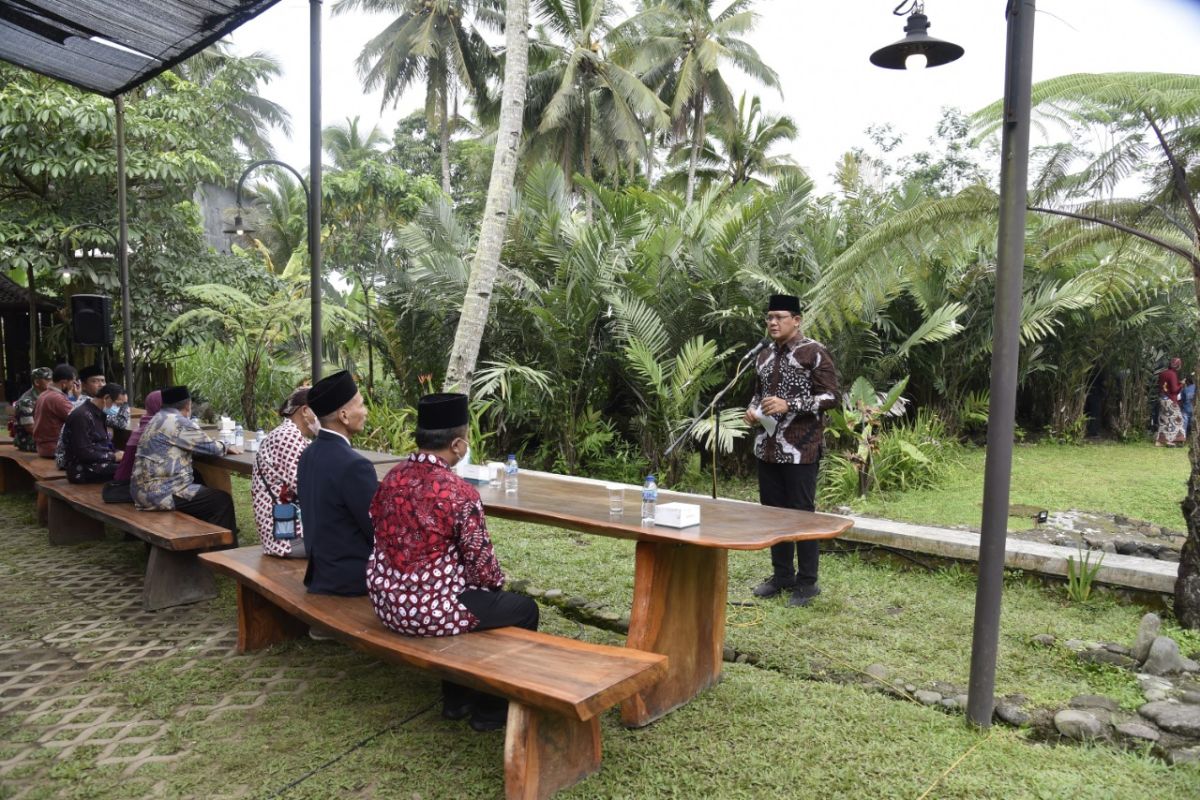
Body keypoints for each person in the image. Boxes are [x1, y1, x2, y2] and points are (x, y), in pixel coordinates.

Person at [368, 392, 538, 731]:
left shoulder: (391, 479)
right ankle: (491, 709)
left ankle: (457, 699)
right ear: (458, 445)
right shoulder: (457, 491)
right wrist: (490, 590)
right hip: (427, 613)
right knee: (522, 609)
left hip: (386, 606)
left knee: (469, 597)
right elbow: (484, 568)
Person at [744, 294, 840, 607]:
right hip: (768, 447)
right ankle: (782, 576)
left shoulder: (813, 352)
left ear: (796, 320)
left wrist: (792, 404)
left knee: (801, 515)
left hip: (801, 448)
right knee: (774, 513)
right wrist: (752, 409)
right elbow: (758, 393)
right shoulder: (762, 355)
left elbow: (831, 397)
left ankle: (808, 583)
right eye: (769, 317)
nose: (773, 322)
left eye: (780, 317)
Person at [296, 371, 376, 595]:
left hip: (320, 572)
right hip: (351, 579)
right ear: (343, 415)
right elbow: (377, 529)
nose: (366, 411)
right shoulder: (355, 466)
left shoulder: (308, 454)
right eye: (361, 405)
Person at [132, 385, 241, 536]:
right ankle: (221, 550)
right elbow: (211, 448)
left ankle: (203, 540)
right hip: (161, 494)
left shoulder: (157, 418)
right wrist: (225, 445)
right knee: (221, 500)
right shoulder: (179, 422)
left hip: (142, 490)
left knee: (200, 483)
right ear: (188, 405)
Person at [253, 387, 318, 558]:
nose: (325, 417)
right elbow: (308, 487)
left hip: (291, 529)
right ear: (305, 411)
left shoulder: (295, 437)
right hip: (287, 538)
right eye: (320, 409)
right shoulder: (286, 437)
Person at [61, 367, 120, 484]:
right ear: (83, 384)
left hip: (92, 459)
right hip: (76, 466)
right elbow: (83, 452)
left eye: (103, 381)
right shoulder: (82, 412)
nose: (101, 385)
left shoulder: (98, 408)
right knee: (131, 470)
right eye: (95, 381)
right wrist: (113, 456)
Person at [32, 364, 77, 458]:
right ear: (64, 383)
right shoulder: (57, 398)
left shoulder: (44, 394)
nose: (74, 385)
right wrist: (78, 397)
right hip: (54, 448)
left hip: (43, 447)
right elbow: (79, 418)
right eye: (73, 382)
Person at [11, 367, 52, 452]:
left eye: (52, 379)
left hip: (45, 437)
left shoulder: (50, 396)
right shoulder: (26, 401)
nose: (51, 382)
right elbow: (30, 428)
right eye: (48, 380)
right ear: (37, 382)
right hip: (29, 440)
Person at [1155, 358, 1187, 447]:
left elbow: (1165, 386)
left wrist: (1178, 383)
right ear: (1178, 365)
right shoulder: (1173, 374)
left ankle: (1159, 441)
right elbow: (1174, 390)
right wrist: (1182, 384)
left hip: (1162, 398)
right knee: (1178, 419)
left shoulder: (1163, 373)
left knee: (1163, 420)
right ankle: (1171, 440)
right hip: (1170, 400)